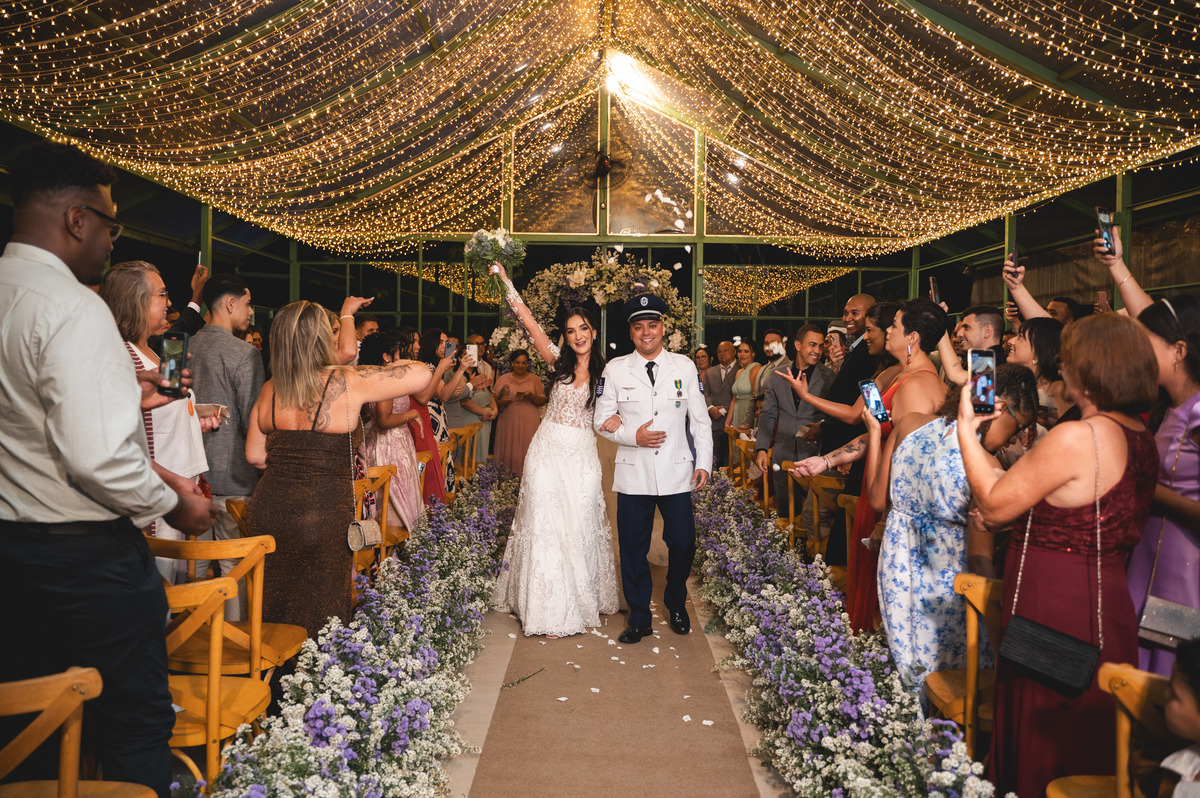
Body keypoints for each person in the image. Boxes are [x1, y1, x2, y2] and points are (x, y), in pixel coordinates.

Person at [0, 140, 215, 798]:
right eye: (111, 224)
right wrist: (174, 500)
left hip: (10, 554)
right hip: (84, 562)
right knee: (132, 725)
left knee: (30, 729)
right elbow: (96, 456)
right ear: (77, 218)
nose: (110, 242)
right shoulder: (73, 308)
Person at [958, 313, 1159, 798]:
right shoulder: (1140, 436)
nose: (1063, 368)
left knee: (1046, 743)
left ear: (1089, 369)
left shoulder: (1079, 437)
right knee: (1089, 742)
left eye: (1070, 359)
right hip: (1106, 605)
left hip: (1055, 611)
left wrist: (967, 428)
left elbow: (993, 500)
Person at [244, 301, 430, 637]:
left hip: (268, 509)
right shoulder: (346, 380)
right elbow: (422, 373)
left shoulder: (271, 388)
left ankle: (273, 677)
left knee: (275, 598)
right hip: (323, 510)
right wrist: (392, 359)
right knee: (322, 603)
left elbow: (255, 456)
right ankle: (318, 676)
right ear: (321, 340)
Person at [864, 364, 1037, 705]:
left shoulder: (910, 423)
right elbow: (979, 559)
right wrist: (999, 632)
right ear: (995, 407)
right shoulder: (986, 468)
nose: (1016, 438)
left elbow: (875, 498)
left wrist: (874, 433)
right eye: (1019, 426)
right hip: (947, 582)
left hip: (897, 567)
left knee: (905, 665)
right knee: (948, 678)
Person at [790, 299, 949, 631]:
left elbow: (908, 467)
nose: (888, 329)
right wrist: (825, 460)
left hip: (889, 501)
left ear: (913, 338)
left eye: (895, 325)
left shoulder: (919, 387)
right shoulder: (893, 373)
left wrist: (886, 517)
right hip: (872, 485)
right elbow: (870, 432)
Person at [489, 267, 620, 636]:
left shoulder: (607, 374)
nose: (577, 336)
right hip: (545, 452)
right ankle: (545, 607)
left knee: (577, 524)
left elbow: (623, 409)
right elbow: (528, 320)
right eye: (570, 331)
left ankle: (581, 597)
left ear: (593, 332)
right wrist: (504, 280)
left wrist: (619, 423)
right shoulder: (556, 363)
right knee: (543, 524)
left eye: (583, 329)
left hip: (580, 456)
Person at [594, 293, 712, 644]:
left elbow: (700, 421)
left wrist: (704, 462)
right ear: (631, 333)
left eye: (653, 325)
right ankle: (639, 616)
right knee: (632, 546)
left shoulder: (684, 367)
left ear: (663, 328)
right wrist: (634, 436)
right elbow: (601, 421)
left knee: (684, 542)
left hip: (678, 472)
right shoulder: (615, 369)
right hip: (634, 472)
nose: (647, 333)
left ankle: (675, 602)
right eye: (639, 327)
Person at [99, 261, 211, 583]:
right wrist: (174, 480)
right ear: (135, 302)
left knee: (170, 585)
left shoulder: (148, 352)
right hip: (157, 492)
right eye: (161, 295)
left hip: (176, 487)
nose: (169, 303)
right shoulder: (123, 355)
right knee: (157, 587)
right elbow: (116, 433)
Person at [1127, 295, 1200, 676]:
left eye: (1145, 344)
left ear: (1179, 350)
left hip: (1183, 566)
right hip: (1151, 556)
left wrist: (1148, 490)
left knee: (1165, 676)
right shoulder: (1170, 407)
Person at [187, 272, 265, 621]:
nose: (250, 312)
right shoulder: (244, 354)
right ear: (230, 304)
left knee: (195, 565)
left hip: (190, 475)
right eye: (247, 304)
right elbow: (253, 421)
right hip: (234, 476)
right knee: (234, 566)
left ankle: (192, 640)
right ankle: (233, 646)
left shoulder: (187, 345)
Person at [754, 325, 834, 511]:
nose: (817, 351)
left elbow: (833, 414)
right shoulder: (777, 375)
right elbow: (768, 414)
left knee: (812, 516)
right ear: (798, 345)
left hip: (815, 455)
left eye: (821, 346)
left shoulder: (828, 376)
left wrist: (821, 427)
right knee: (785, 512)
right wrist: (762, 448)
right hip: (784, 454)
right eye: (812, 345)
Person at [358, 329, 424, 532]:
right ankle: (394, 556)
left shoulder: (377, 377)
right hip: (391, 446)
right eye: (399, 352)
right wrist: (411, 415)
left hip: (389, 442)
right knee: (395, 502)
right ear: (386, 356)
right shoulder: (385, 380)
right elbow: (384, 420)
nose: (403, 357)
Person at [416, 328, 473, 493]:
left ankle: (439, 502)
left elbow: (443, 393)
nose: (444, 346)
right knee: (431, 461)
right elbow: (444, 395)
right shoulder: (428, 367)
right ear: (430, 344)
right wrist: (461, 369)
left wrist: (451, 386)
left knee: (439, 460)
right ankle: (431, 500)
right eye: (440, 342)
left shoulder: (435, 367)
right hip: (431, 421)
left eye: (446, 342)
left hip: (438, 420)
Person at [493, 349, 546, 476]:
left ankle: (529, 479)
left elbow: (542, 400)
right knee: (508, 448)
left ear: (528, 364)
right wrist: (501, 402)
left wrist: (532, 397)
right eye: (517, 362)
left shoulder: (534, 379)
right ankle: (506, 482)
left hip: (529, 421)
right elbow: (493, 399)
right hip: (508, 420)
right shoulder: (503, 378)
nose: (520, 366)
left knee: (528, 448)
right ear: (512, 363)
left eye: (523, 363)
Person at [705, 340, 737, 470]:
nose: (722, 354)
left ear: (734, 351)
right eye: (719, 351)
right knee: (713, 461)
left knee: (732, 462)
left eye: (726, 350)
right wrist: (710, 408)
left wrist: (725, 411)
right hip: (714, 422)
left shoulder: (741, 369)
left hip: (734, 422)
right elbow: (705, 394)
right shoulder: (710, 372)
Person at [725, 340, 760, 438]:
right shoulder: (738, 372)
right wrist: (727, 423)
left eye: (746, 351)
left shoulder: (755, 368)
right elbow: (734, 400)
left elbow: (755, 397)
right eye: (740, 351)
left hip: (747, 413)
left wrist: (749, 422)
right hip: (737, 413)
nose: (742, 354)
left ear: (753, 354)